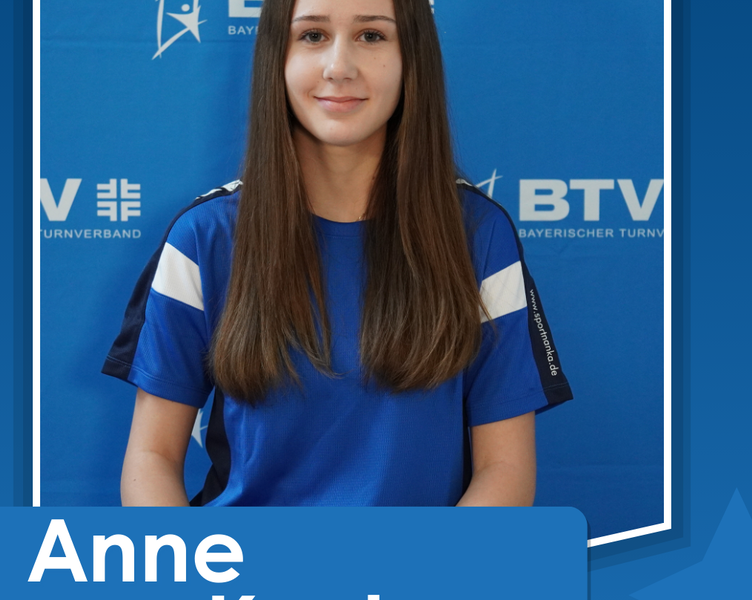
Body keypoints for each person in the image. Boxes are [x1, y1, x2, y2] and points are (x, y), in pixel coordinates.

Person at [103, 0, 572, 507]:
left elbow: (505, 469)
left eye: (372, 36)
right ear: (276, 57)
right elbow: (152, 458)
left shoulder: (479, 235)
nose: (339, 67)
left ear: (412, 55)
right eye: (312, 36)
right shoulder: (204, 237)